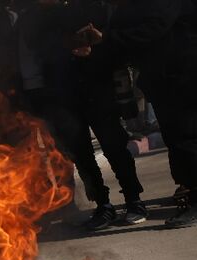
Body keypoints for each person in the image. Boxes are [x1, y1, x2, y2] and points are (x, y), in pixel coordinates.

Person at [74, 0, 197, 228]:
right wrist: (97, 43)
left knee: (185, 137)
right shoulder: (127, 8)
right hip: (162, 79)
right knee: (176, 138)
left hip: (183, 76)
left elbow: (153, 28)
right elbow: (122, 35)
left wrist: (105, 38)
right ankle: (190, 189)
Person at [29, 1, 147, 230]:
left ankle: (134, 200)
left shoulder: (98, 6)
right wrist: (64, 44)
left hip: (99, 88)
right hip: (65, 93)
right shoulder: (46, 13)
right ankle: (103, 205)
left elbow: (117, 43)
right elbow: (36, 44)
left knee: (115, 147)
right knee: (81, 155)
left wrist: (96, 47)